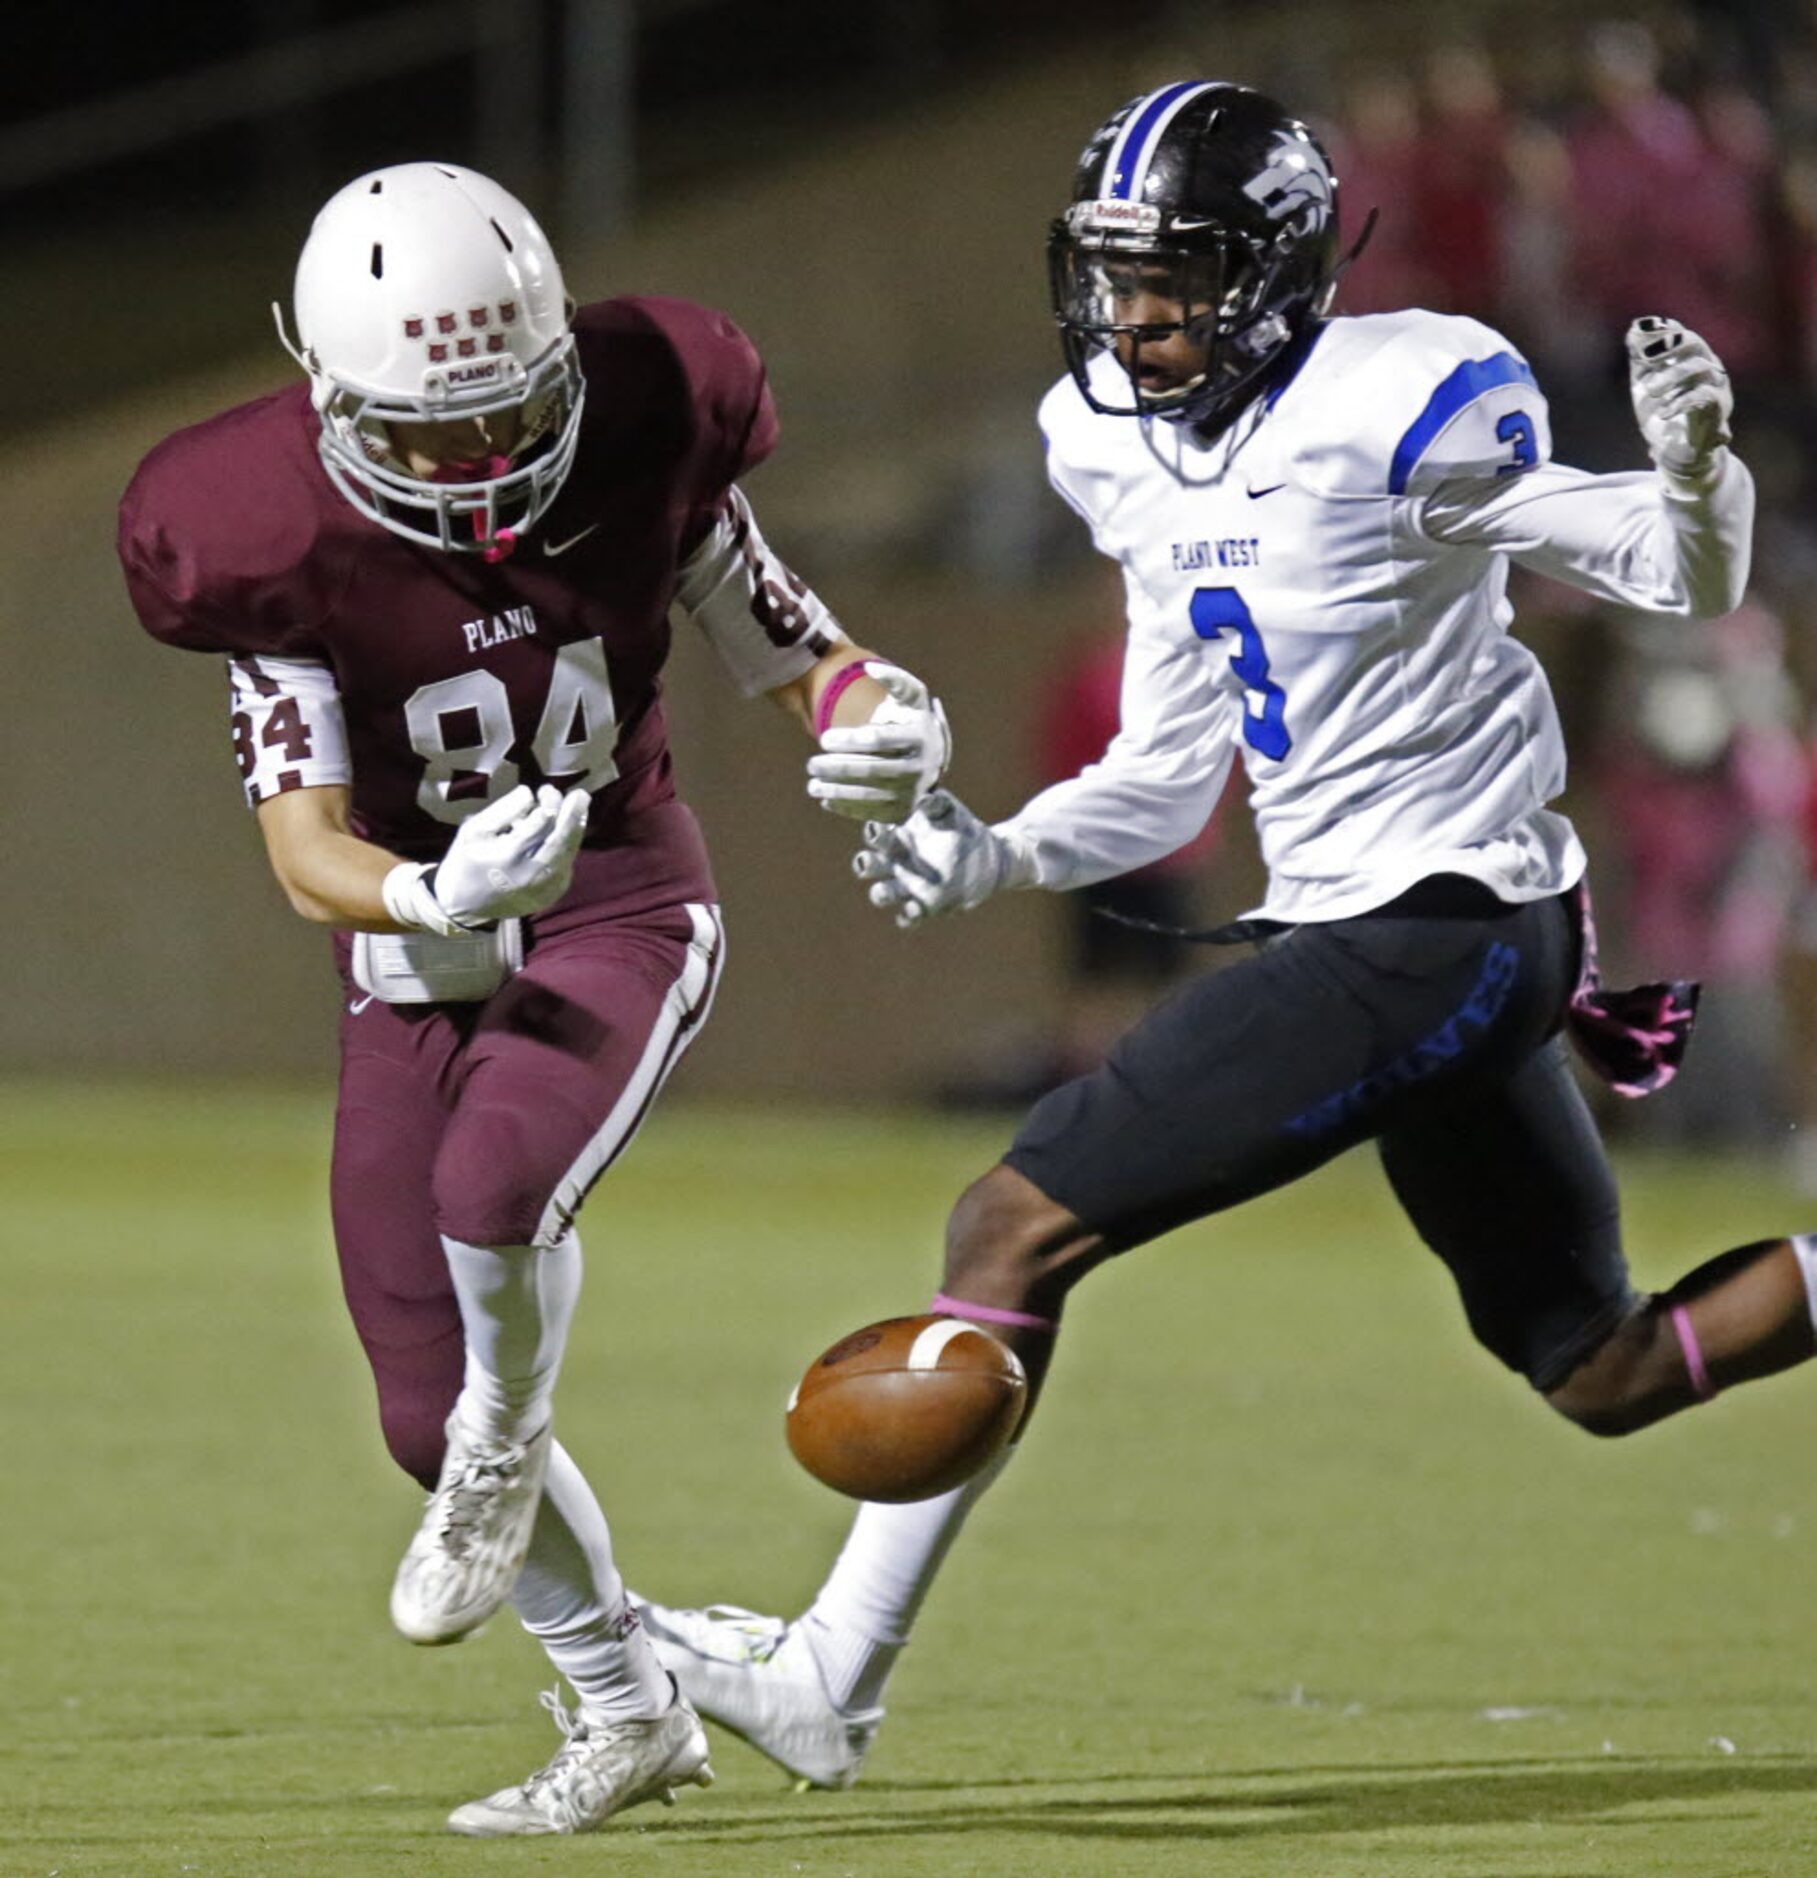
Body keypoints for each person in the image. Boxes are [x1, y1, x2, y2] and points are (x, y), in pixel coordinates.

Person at [632, 81, 1814, 1792]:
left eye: (1169, 274)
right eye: (1110, 272)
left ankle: (830, 1676)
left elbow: (1676, 572)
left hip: (1441, 924)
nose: (1130, 312)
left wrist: (1696, 475)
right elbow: (1169, 769)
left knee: (1008, 1222)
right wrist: (989, 856)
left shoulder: (1400, 398)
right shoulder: (1108, 439)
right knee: (1602, 1365)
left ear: (1270, 266)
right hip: (1422, 930)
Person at [116, 161, 950, 1835]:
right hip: (415, 938)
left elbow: (794, 645)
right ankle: (625, 1708)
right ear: (332, 396)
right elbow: (303, 847)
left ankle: (517, 1430)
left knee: (491, 1187)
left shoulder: (651, 413)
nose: (481, 466)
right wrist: (427, 889)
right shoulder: (258, 533)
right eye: (429, 436)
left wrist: (887, 716)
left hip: (620, 892)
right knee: (416, 1407)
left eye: (509, 414)